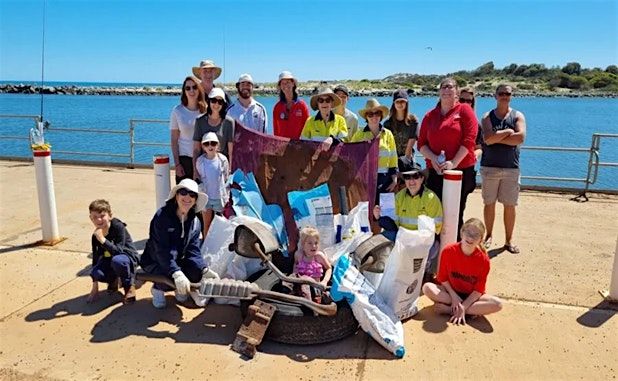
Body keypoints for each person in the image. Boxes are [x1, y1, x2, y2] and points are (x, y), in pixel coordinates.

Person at [418, 77, 478, 238]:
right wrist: (433, 159)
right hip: (436, 172)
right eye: (443, 86)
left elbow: (469, 140)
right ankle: (436, 249)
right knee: (435, 211)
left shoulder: (465, 110)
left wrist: (453, 163)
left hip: (461, 172)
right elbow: (421, 144)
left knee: (455, 213)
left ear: (457, 91)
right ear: (439, 91)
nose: (446, 89)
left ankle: (455, 248)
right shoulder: (430, 115)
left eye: (450, 87)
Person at [139, 179, 209, 308]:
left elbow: (193, 250)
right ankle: (158, 289)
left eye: (192, 195)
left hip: (178, 258)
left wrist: (204, 269)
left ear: (195, 200)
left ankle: (180, 289)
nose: (187, 197)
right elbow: (161, 250)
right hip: (156, 259)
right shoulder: (162, 217)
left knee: (196, 272)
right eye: (183, 192)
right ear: (176, 195)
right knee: (168, 276)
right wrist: (176, 272)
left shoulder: (195, 222)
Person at [422, 218, 503, 325]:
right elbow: (443, 278)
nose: (470, 237)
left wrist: (464, 306)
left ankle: (450, 310)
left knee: (497, 304)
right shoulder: (448, 251)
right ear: (461, 233)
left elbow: (478, 291)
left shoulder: (484, 260)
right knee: (427, 288)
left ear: (481, 240)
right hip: (451, 293)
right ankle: (464, 310)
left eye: (476, 235)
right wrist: (454, 297)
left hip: (472, 297)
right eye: (468, 232)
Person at [480, 84, 527, 254]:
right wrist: (508, 131)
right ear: (495, 96)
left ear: (511, 96)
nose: (504, 96)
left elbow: (520, 138)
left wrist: (496, 137)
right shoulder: (487, 116)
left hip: (511, 168)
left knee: (510, 205)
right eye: (501, 93)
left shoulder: (517, 115)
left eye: (507, 93)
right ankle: (489, 236)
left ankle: (508, 240)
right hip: (489, 167)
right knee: (489, 203)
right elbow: (487, 139)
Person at [373, 163, 443, 272]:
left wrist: (415, 241)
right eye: (407, 177)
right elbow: (391, 225)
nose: (411, 181)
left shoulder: (431, 199)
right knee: (382, 239)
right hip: (402, 238)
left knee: (427, 253)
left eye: (415, 176)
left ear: (422, 178)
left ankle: (424, 272)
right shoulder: (399, 197)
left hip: (423, 241)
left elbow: (436, 228)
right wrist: (378, 216)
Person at [86, 199, 139, 304]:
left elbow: (119, 251)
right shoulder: (95, 235)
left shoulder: (118, 227)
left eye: (102, 216)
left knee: (118, 261)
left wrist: (103, 240)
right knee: (96, 272)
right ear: (91, 218)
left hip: (127, 257)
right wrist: (94, 285)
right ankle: (113, 280)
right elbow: (96, 258)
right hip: (110, 259)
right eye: (95, 217)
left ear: (110, 215)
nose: (99, 220)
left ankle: (128, 286)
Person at [351, 98, 398, 204]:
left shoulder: (388, 134)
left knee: (386, 213)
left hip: (385, 180)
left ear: (381, 115)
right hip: (364, 180)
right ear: (366, 117)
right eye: (370, 114)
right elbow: (351, 157)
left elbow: (393, 158)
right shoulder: (359, 134)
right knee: (365, 213)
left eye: (377, 113)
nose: (374, 117)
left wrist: (394, 179)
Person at [170, 75, 207, 184]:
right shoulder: (177, 111)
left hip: (203, 159)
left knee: (202, 197)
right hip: (184, 160)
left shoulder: (206, 110)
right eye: (188, 88)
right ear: (184, 91)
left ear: (199, 89)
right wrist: (177, 164)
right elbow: (174, 141)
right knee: (184, 196)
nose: (191, 90)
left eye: (194, 87)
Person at [193, 87, 235, 178]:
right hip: (203, 168)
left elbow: (230, 151)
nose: (216, 104)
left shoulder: (229, 122)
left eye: (220, 102)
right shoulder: (199, 121)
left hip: (221, 168)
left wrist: (229, 171)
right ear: (209, 101)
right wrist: (195, 171)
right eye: (214, 100)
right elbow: (196, 150)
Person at [195, 132, 230, 238]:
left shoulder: (223, 160)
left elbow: (226, 177)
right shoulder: (200, 161)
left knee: (220, 224)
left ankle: (218, 247)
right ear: (202, 146)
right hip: (206, 198)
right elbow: (199, 178)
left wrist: (227, 195)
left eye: (213, 143)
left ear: (218, 145)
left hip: (219, 198)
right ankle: (206, 247)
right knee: (207, 225)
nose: (210, 146)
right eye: (207, 144)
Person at [301, 87, 348, 153]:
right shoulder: (309, 121)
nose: (324, 103)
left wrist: (332, 139)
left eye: (328, 100)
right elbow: (303, 143)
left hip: (334, 161)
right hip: (315, 161)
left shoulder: (341, 120)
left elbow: (345, 140)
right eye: (321, 100)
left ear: (331, 103)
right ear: (318, 104)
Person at [292, 226, 332, 302]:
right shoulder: (299, 255)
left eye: (316, 243)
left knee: (307, 283)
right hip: (301, 284)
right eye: (310, 243)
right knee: (295, 280)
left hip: (315, 288)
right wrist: (294, 275)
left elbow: (329, 268)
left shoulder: (319, 256)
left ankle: (310, 305)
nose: (313, 246)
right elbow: (295, 266)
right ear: (303, 245)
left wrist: (325, 281)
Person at [383, 89, 418, 170]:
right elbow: (387, 145)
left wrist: (406, 162)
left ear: (406, 103)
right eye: (397, 102)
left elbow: (410, 145)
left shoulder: (413, 122)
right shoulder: (388, 123)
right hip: (392, 159)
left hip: (408, 159)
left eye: (402, 101)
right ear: (394, 103)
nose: (400, 104)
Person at [272, 71, 309, 139]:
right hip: (282, 146)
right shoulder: (277, 107)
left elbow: (308, 129)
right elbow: (276, 131)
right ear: (280, 86)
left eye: (288, 82)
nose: (285, 85)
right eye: (283, 83)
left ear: (293, 84)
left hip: (299, 147)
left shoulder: (302, 105)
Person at [458, 87, 483, 161]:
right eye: (462, 100)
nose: (465, 103)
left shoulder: (476, 125)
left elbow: (479, 148)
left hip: (467, 166)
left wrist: (475, 155)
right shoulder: (447, 121)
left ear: (472, 103)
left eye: (468, 101)